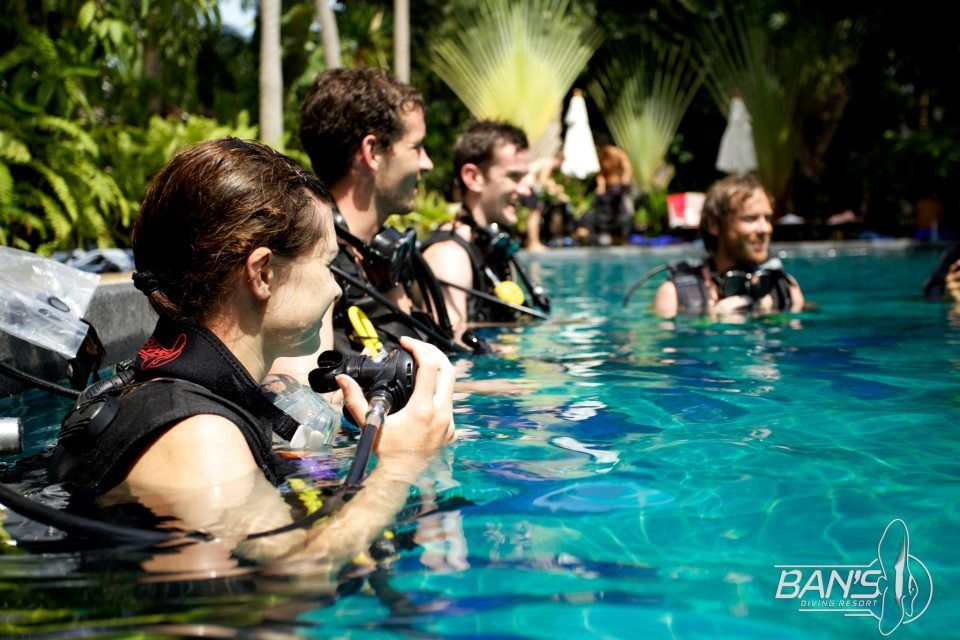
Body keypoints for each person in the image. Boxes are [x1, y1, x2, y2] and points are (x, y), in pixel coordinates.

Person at [49, 138, 456, 568]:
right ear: (262, 273)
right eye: (326, 265)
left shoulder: (173, 393)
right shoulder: (197, 435)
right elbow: (295, 579)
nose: (337, 288)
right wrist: (399, 466)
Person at [297, 67, 468, 357]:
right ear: (372, 151)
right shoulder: (314, 267)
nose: (427, 164)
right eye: (416, 147)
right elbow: (311, 396)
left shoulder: (387, 259)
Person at [421, 121, 550, 343]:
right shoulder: (449, 256)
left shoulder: (494, 247)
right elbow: (452, 356)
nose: (525, 190)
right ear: (473, 177)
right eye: (514, 177)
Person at [652, 174, 804, 319]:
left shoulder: (786, 289)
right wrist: (711, 321)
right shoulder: (674, 296)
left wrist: (771, 316)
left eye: (768, 218)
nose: (765, 228)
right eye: (750, 218)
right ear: (714, 224)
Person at [576, 144, 634, 246]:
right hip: (607, 190)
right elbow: (601, 174)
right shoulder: (602, 156)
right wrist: (601, 186)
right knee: (600, 214)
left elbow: (627, 169)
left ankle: (623, 240)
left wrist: (625, 179)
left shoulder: (619, 154)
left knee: (623, 215)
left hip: (619, 188)